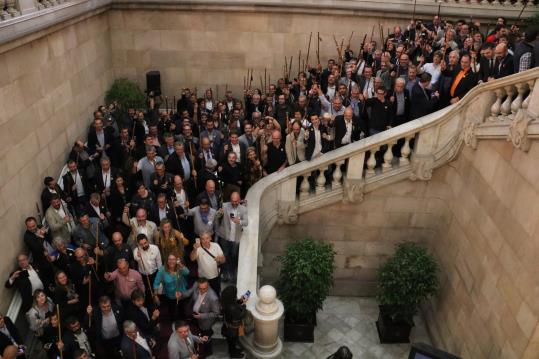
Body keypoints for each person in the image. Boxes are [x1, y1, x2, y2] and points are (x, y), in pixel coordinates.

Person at [217, 192, 248, 283]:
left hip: (236, 237)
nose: (234, 203)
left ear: (239, 200)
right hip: (225, 237)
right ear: (230, 200)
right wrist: (219, 213)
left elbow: (246, 222)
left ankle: (233, 273)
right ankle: (225, 273)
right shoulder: (224, 205)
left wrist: (240, 221)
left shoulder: (243, 209)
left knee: (234, 256)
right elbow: (217, 216)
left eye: (236, 201)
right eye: (232, 201)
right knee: (225, 255)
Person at [152, 254, 189, 321]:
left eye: (173, 259)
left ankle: (183, 320)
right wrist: (155, 295)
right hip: (170, 294)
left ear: (176, 260)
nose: (171, 261)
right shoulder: (162, 270)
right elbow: (156, 283)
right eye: (169, 259)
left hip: (180, 292)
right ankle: (173, 321)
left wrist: (180, 264)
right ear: (167, 261)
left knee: (181, 308)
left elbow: (187, 272)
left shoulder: (179, 267)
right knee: (172, 309)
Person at [189, 232, 225, 296]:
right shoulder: (198, 248)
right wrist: (194, 249)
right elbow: (192, 258)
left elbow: (223, 260)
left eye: (207, 238)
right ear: (200, 240)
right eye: (203, 239)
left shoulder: (216, 245)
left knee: (216, 293)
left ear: (210, 238)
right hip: (203, 278)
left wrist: (220, 259)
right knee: (203, 294)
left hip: (215, 276)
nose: (205, 241)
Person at [220, 285, 248, 358]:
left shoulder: (226, 302)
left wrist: (241, 300)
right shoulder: (232, 308)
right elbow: (241, 315)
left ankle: (234, 350)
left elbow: (235, 303)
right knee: (232, 342)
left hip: (227, 327)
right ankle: (233, 354)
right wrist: (244, 305)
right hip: (232, 330)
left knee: (231, 342)